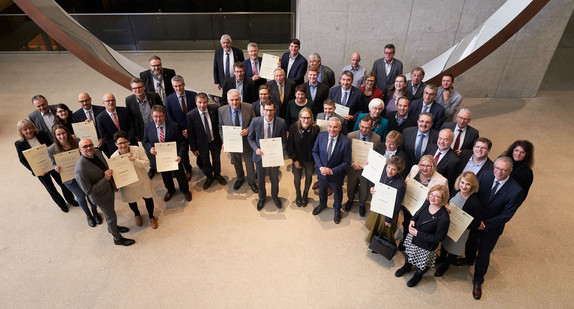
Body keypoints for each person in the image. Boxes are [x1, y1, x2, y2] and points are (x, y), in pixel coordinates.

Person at [464, 156, 524, 300]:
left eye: (503, 170)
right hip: (476, 219)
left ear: (510, 171)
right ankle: (469, 259)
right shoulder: (486, 175)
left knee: (484, 253)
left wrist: (485, 224)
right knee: (471, 242)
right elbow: (475, 194)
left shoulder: (516, 190)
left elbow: (506, 215)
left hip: (492, 227)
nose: (499, 172)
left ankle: (478, 280)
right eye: (496, 168)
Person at [75, 138, 135, 246]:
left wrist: (113, 182)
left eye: (90, 145)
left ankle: (112, 228)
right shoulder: (80, 169)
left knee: (111, 213)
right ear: (80, 150)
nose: (89, 148)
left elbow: (106, 167)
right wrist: (105, 179)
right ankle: (117, 239)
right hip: (100, 197)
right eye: (85, 147)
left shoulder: (97, 152)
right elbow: (88, 191)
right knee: (111, 217)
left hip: (109, 190)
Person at [15, 119, 77, 213]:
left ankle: (71, 200)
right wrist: (35, 170)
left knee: (63, 182)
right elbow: (22, 159)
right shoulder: (19, 143)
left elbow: (53, 145)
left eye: (30, 128)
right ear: (21, 131)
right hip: (40, 169)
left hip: (52, 164)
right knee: (50, 188)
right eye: (25, 129)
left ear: (33, 127)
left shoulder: (41, 134)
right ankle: (61, 204)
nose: (29, 131)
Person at [394, 185, 450, 287]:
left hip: (426, 246)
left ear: (443, 199)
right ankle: (407, 267)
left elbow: (439, 238)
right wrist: (412, 220)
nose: (432, 198)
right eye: (431, 194)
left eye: (437, 196)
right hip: (414, 237)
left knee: (422, 264)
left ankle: (418, 275)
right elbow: (418, 213)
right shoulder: (427, 202)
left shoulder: (444, 218)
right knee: (409, 254)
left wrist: (418, 234)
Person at [47, 124, 99, 226]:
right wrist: (55, 167)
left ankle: (95, 212)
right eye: (58, 135)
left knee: (90, 194)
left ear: (67, 132)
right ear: (55, 136)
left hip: (83, 174)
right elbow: (53, 163)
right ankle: (88, 215)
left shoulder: (76, 141)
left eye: (63, 133)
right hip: (69, 178)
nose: (62, 136)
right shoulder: (51, 149)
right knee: (80, 197)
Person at [434, 171, 482, 277]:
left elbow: (476, 223)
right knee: (445, 242)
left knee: (454, 249)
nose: (464, 186)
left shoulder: (474, 203)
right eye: (462, 182)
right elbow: (448, 202)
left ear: (473, 186)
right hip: (449, 225)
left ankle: (446, 265)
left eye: (468, 184)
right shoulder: (456, 191)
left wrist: (463, 220)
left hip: (461, 231)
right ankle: (442, 257)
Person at [142, 105, 192, 202]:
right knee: (165, 176)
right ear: (152, 116)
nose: (158, 119)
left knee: (180, 175)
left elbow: (182, 142)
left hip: (175, 157)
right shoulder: (148, 127)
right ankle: (170, 190)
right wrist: (150, 149)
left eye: (160, 116)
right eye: (155, 116)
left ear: (164, 115)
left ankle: (185, 190)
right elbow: (145, 141)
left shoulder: (174, 125)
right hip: (160, 159)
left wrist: (180, 155)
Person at [400, 155, 449, 251]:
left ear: (433, 166)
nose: (424, 168)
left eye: (428, 166)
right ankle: (405, 240)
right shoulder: (415, 169)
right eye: (422, 165)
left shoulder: (442, 180)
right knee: (407, 223)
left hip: (424, 210)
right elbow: (408, 178)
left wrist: (445, 205)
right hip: (410, 203)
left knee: (419, 228)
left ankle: (415, 248)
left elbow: (445, 197)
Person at [111, 131, 158, 229]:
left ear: (128, 142)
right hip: (128, 184)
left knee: (148, 198)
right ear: (116, 144)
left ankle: (151, 217)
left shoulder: (136, 149)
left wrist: (135, 160)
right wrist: (121, 182)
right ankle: (136, 214)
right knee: (131, 200)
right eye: (120, 143)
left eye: (125, 142)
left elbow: (146, 163)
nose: (123, 145)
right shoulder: (114, 157)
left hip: (142, 179)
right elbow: (116, 175)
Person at [248, 101, 287, 211]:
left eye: (271, 110)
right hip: (260, 156)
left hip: (274, 158)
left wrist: (278, 154)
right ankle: (262, 197)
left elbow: (284, 142)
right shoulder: (255, 121)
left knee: (274, 179)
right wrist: (256, 149)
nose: (268, 113)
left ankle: (275, 197)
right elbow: (250, 138)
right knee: (260, 179)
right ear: (263, 110)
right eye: (266, 110)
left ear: (275, 110)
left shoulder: (281, 123)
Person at [312, 117, 351, 224]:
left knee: (338, 193)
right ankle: (322, 204)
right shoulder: (320, 136)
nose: (332, 129)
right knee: (322, 190)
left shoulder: (345, 141)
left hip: (336, 174)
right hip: (322, 172)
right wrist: (320, 167)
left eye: (335, 127)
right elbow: (315, 152)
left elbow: (346, 162)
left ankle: (337, 209)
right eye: (330, 126)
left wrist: (332, 171)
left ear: (340, 128)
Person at [218, 89, 258, 193]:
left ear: (240, 99)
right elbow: (221, 128)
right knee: (236, 162)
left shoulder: (249, 107)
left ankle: (251, 181)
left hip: (247, 142)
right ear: (227, 100)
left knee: (249, 163)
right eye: (232, 100)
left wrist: (248, 130)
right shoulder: (221, 111)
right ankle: (240, 178)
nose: (234, 102)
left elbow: (255, 123)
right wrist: (224, 141)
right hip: (232, 143)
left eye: (237, 99)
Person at [187, 93, 226, 189]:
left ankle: (217, 175)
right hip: (201, 144)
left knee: (217, 160)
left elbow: (220, 125)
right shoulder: (191, 115)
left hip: (215, 141)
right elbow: (191, 133)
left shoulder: (214, 109)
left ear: (207, 102)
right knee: (205, 162)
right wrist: (193, 148)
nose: (202, 105)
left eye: (204, 102)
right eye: (199, 102)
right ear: (196, 103)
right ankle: (209, 177)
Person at [345, 115, 381, 216]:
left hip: (367, 170)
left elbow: (378, 155)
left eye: (367, 127)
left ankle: (362, 204)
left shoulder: (377, 138)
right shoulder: (350, 136)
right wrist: (352, 163)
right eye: (362, 127)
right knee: (351, 186)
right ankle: (350, 199)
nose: (364, 130)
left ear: (372, 126)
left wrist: (372, 163)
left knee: (364, 189)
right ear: (359, 124)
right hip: (353, 167)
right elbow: (346, 153)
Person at [365, 156, 407, 243]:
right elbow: (378, 182)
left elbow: (396, 205)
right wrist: (373, 189)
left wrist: (389, 219)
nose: (389, 171)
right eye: (388, 167)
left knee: (384, 230)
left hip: (388, 211)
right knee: (375, 224)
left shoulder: (400, 185)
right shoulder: (384, 170)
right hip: (379, 205)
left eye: (393, 169)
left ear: (398, 171)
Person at [165, 75, 197, 180]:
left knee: (198, 149)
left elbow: (197, 114)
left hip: (193, 129)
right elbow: (170, 117)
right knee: (183, 153)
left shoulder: (193, 95)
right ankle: (188, 169)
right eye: (175, 86)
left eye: (180, 85)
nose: (178, 88)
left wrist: (190, 129)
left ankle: (201, 164)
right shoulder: (169, 99)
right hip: (179, 131)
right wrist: (181, 130)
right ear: (172, 86)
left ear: (184, 84)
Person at [287, 107, 319, 207]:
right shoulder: (293, 128)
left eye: (308, 118)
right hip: (298, 159)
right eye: (303, 117)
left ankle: (305, 195)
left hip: (310, 159)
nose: (306, 120)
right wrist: (294, 160)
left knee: (309, 178)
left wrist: (315, 161)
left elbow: (317, 146)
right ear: (300, 117)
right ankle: (298, 195)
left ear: (312, 118)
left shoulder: (315, 129)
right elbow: (290, 146)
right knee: (297, 179)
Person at [96, 93, 136, 157]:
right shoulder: (100, 118)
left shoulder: (125, 110)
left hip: (131, 144)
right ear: (103, 103)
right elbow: (104, 137)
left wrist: (128, 141)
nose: (111, 102)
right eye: (108, 101)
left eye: (113, 100)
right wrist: (119, 145)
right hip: (114, 150)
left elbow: (132, 126)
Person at [125, 77, 163, 142]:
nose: (138, 90)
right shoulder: (129, 100)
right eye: (135, 88)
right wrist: (135, 134)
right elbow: (131, 119)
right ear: (132, 90)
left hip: (158, 129)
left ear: (144, 87)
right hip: (142, 133)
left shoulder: (154, 96)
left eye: (139, 87)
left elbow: (163, 111)